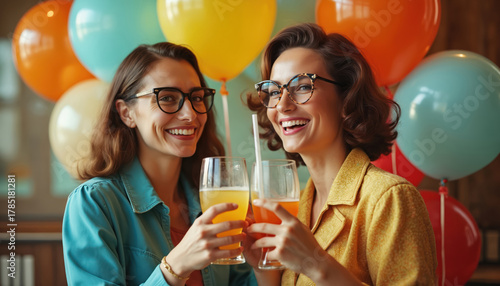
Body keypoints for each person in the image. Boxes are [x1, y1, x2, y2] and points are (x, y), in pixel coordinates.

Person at [244, 23, 437, 285]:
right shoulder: (297, 206)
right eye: (274, 90)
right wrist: (264, 270)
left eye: (301, 86)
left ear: (345, 96)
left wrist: (317, 265)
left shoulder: (388, 199)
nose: (283, 105)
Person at [62, 42, 256, 286]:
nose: (190, 114)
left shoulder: (212, 201)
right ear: (126, 113)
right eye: (167, 98)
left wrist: (262, 266)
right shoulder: (94, 203)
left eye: (196, 98)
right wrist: (176, 267)